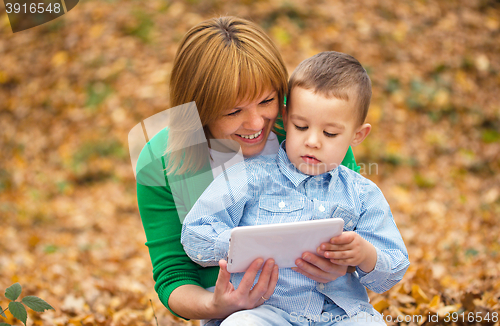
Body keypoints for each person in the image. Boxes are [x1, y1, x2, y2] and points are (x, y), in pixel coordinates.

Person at [135, 17, 362, 321]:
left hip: (328, 307)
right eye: (234, 111)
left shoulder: (311, 130)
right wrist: (215, 306)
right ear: (199, 108)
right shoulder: (161, 160)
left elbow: (364, 229)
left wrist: (346, 263)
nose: (257, 124)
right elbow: (173, 274)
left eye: (267, 100)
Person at [181, 51, 410, 325]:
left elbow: (394, 267)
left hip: (339, 314)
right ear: (286, 118)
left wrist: (364, 255)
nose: (312, 141)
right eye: (301, 126)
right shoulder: (247, 176)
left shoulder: (362, 194)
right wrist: (238, 245)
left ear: (357, 135)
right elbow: (195, 232)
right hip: (265, 310)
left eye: (330, 133)